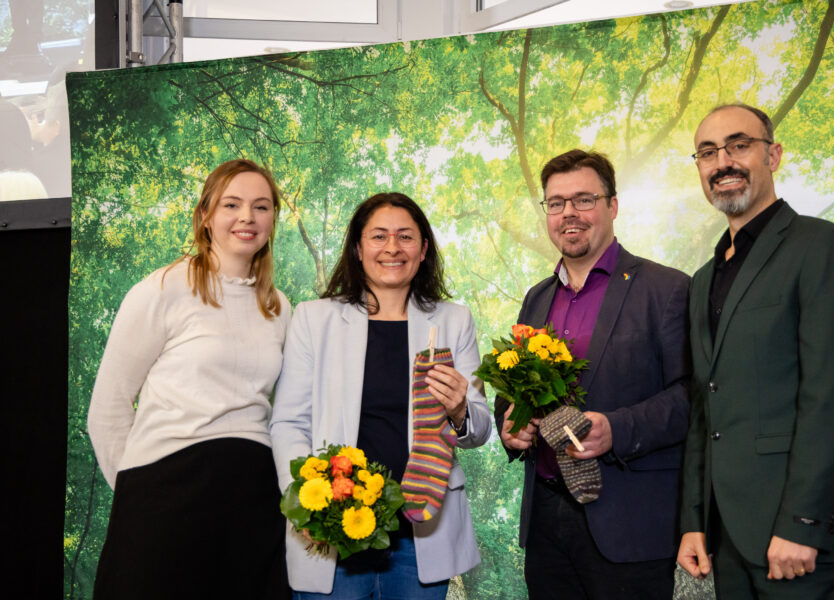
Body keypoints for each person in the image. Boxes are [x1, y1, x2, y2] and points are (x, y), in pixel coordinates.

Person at [678, 103, 834, 598]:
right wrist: (694, 520)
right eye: (708, 153)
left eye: (739, 145)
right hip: (730, 541)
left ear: (773, 155)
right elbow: (704, 408)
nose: (723, 163)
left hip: (806, 545)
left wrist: (804, 522)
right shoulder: (702, 281)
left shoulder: (824, 248)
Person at [269, 192, 491, 599]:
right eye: (379, 236)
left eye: (406, 237)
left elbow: (478, 430)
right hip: (331, 532)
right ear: (357, 248)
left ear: (424, 249)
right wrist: (302, 496)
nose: (392, 247)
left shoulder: (454, 321)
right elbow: (287, 422)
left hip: (418, 536)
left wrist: (460, 410)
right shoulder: (313, 320)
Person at [88, 158, 292, 599]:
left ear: (273, 218)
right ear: (205, 215)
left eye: (261, 207)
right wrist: (138, 497)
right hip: (165, 498)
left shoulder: (280, 307)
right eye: (231, 204)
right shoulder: (162, 289)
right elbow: (106, 410)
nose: (247, 218)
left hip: (253, 505)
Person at [494, 149, 691, 598]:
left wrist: (616, 430)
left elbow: (692, 397)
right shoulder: (537, 298)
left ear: (612, 205)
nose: (569, 214)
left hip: (629, 526)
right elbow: (514, 389)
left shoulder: (667, 289)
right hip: (545, 522)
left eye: (584, 199)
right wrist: (509, 422)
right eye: (557, 203)